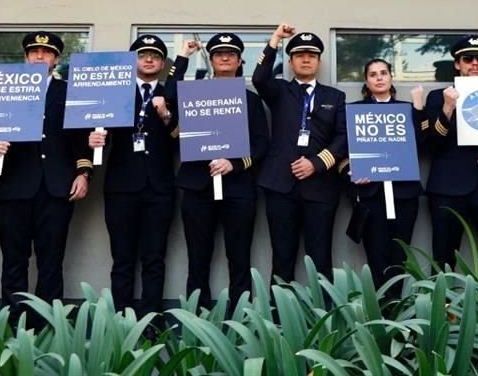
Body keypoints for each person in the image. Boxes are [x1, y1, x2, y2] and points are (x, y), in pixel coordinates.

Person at [0, 32, 92, 323]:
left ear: (56, 59)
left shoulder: (71, 91)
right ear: (26, 57)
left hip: (57, 188)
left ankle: (48, 326)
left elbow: (81, 137)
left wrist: (83, 172)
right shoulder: (4, 89)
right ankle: (14, 326)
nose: (40, 56)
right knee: (14, 261)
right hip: (15, 186)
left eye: (47, 52)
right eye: (34, 52)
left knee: (51, 262)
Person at [166, 33, 269, 305]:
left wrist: (233, 164)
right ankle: (197, 318)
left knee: (239, 257)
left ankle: (241, 317)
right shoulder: (194, 94)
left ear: (239, 61)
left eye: (231, 54)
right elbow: (168, 95)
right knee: (197, 258)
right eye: (219, 53)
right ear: (211, 60)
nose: (225, 57)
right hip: (198, 186)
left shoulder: (251, 100)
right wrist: (183, 57)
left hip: (238, 188)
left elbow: (261, 145)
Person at [88, 34, 178, 326]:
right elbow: (96, 127)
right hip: (121, 187)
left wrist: (166, 117)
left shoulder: (173, 93)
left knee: (154, 259)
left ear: (163, 63)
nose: (149, 59)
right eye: (142, 54)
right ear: (132, 62)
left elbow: (188, 140)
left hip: (160, 187)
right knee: (123, 259)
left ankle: (152, 320)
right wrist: (95, 138)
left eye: (155, 55)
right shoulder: (114, 93)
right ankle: (121, 321)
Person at [252, 24, 347, 281]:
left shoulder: (335, 97)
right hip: (280, 186)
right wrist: (274, 41)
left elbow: (343, 137)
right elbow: (259, 78)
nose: (306, 59)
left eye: (312, 56)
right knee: (282, 257)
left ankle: (324, 316)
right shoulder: (280, 90)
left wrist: (317, 163)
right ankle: (278, 318)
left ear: (318, 61)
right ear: (291, 62)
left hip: (320, 186)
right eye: (300, 55)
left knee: (320, 257)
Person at [422, 35, 478, 269]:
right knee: (443, 258)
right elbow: (431, 144)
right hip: (447, 187)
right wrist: (447, 108)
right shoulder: (437, 97)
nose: (475, 64)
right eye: (468, 59)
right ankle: (443, 307)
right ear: (457, 64)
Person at [344, 58, 425, 291]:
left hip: (404, 196)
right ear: (366, 81)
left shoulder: (408, 109)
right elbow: (344, 149)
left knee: (400, 259)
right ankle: (381, 317)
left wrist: (418, 108)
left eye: (383, 73)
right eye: (373, 74)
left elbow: (423, 143)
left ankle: (399, 316)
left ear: (391, 78)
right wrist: (352, 171)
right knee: (377, 258)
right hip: (371, 196)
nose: (379, 78)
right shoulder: (354, 111)